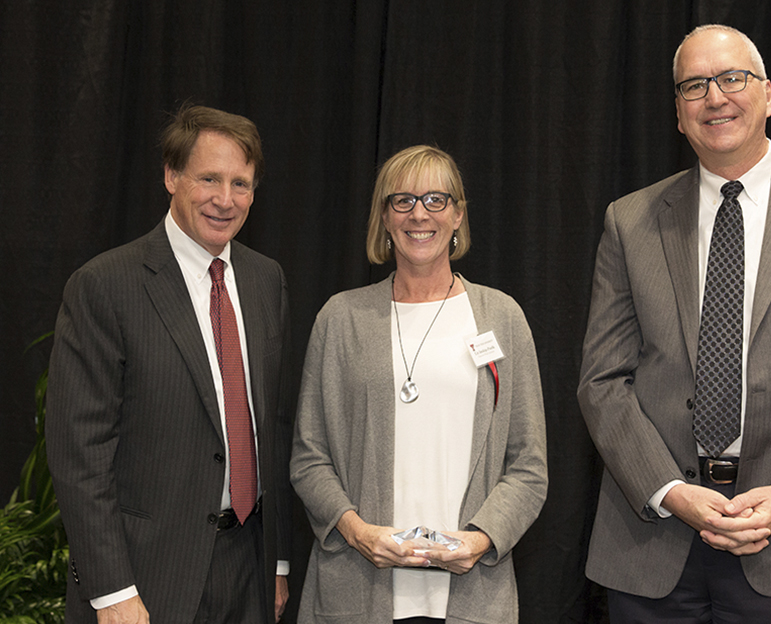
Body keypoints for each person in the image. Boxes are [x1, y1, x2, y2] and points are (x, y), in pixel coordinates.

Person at [578, 24, 771, 623]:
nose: (715, 97)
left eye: (731, 78)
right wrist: (670, 491)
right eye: (694, 86)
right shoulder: (631, 220)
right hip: (653, 540)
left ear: (768, 94)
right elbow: (602, 381)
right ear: (677, 113)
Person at [46, 105, 292, 623]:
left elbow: (273, 426)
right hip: (145, 578)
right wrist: (112, 591)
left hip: (250, 564)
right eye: (209, 178)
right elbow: (79, 453)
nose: (226, 200)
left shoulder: (266, 279)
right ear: (171, 176)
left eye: (241, 183)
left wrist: (278, 562)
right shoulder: (105, 286)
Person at [290, 145, 548, 623]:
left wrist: (481, 539)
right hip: (357, 585)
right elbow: (309, 457)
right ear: (384, 219)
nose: (419, 214)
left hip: (473, 594)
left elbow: (528, 465)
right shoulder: (341, 318)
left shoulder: (502, 318)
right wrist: (357, 531)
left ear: (457, 216)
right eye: (402, 201)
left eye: (435, 199)